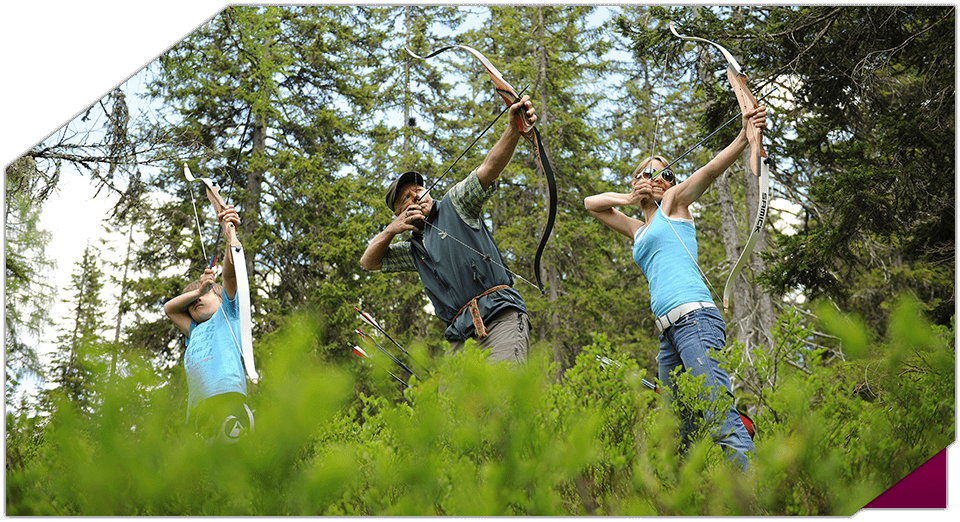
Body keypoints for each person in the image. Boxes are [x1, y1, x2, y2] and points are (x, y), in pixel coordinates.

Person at [583, 106, 768, 471]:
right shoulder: (637, 229)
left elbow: (709, 171)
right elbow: (592, 205)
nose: (657, 178)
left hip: (695, 321)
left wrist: (743, 137)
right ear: (636, 180)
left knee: (717, 413)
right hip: (668, 336)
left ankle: (758, 492)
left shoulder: (673, 204)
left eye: (665, 174)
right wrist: (630, 198)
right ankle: (690, 495)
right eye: (648, 173)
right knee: (678, 431)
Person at [359, 96, 541, 366]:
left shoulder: (456, 203)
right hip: (460, 339)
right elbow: (368, 262)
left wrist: (514, 128)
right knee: (452, 397)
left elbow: (489, 169)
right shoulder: (413, 250)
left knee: (504, 389)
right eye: (407, 198)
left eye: (419, 189)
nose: (417, 196)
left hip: (500, 317)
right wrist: (391, 231)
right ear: (399, 215)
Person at [164, 205, 254, 445]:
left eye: (204, 295)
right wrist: (199, 290)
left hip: (228, 396)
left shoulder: (227, 313)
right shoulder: (193, 331)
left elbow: (230, 275)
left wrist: (229, 234)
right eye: (191, 302)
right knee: (206, 462)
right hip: (199, 409)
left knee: (232, 452)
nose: (196, 301)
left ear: (220, 298)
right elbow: (169, 309)